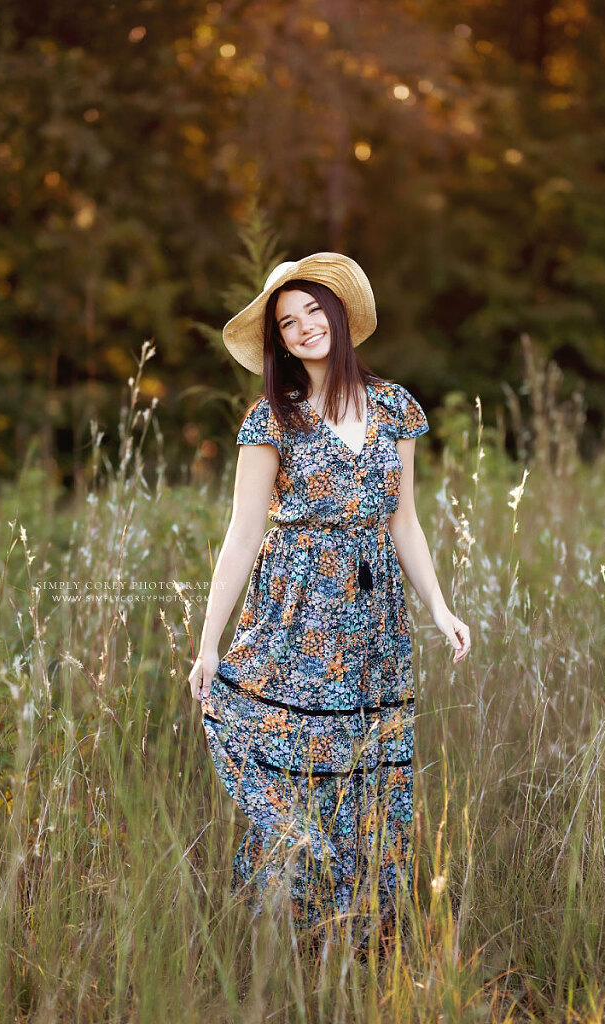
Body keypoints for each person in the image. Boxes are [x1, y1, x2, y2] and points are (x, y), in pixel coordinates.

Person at [188, 252, 470, 944]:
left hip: (376, 620)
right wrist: (207, 642)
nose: (305, 326)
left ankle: (364, 931)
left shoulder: (394, 407)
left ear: (340, 317)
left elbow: (403, 519)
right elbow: (243, 532)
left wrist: (440, 607)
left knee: (368, 764)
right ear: (279, 341)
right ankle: (286, 924)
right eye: (289, 321)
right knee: (298, 754)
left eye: (315, 310)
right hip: (294, 613)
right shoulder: (271, 420)